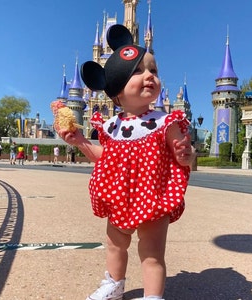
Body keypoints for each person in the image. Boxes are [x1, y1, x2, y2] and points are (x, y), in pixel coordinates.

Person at [56, 25, 195, 300]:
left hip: (153, 196)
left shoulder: (166, 122)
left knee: (152, 252)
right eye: (138, 72)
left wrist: (185, 155)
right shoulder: (110, 126)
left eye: (153, 71)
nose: (149, 76)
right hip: (120, 197)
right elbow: (105, 159)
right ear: (117, 91)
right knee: (115, 243)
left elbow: (185, 157)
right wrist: (81, 142)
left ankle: (153, 296)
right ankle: (114, 284)